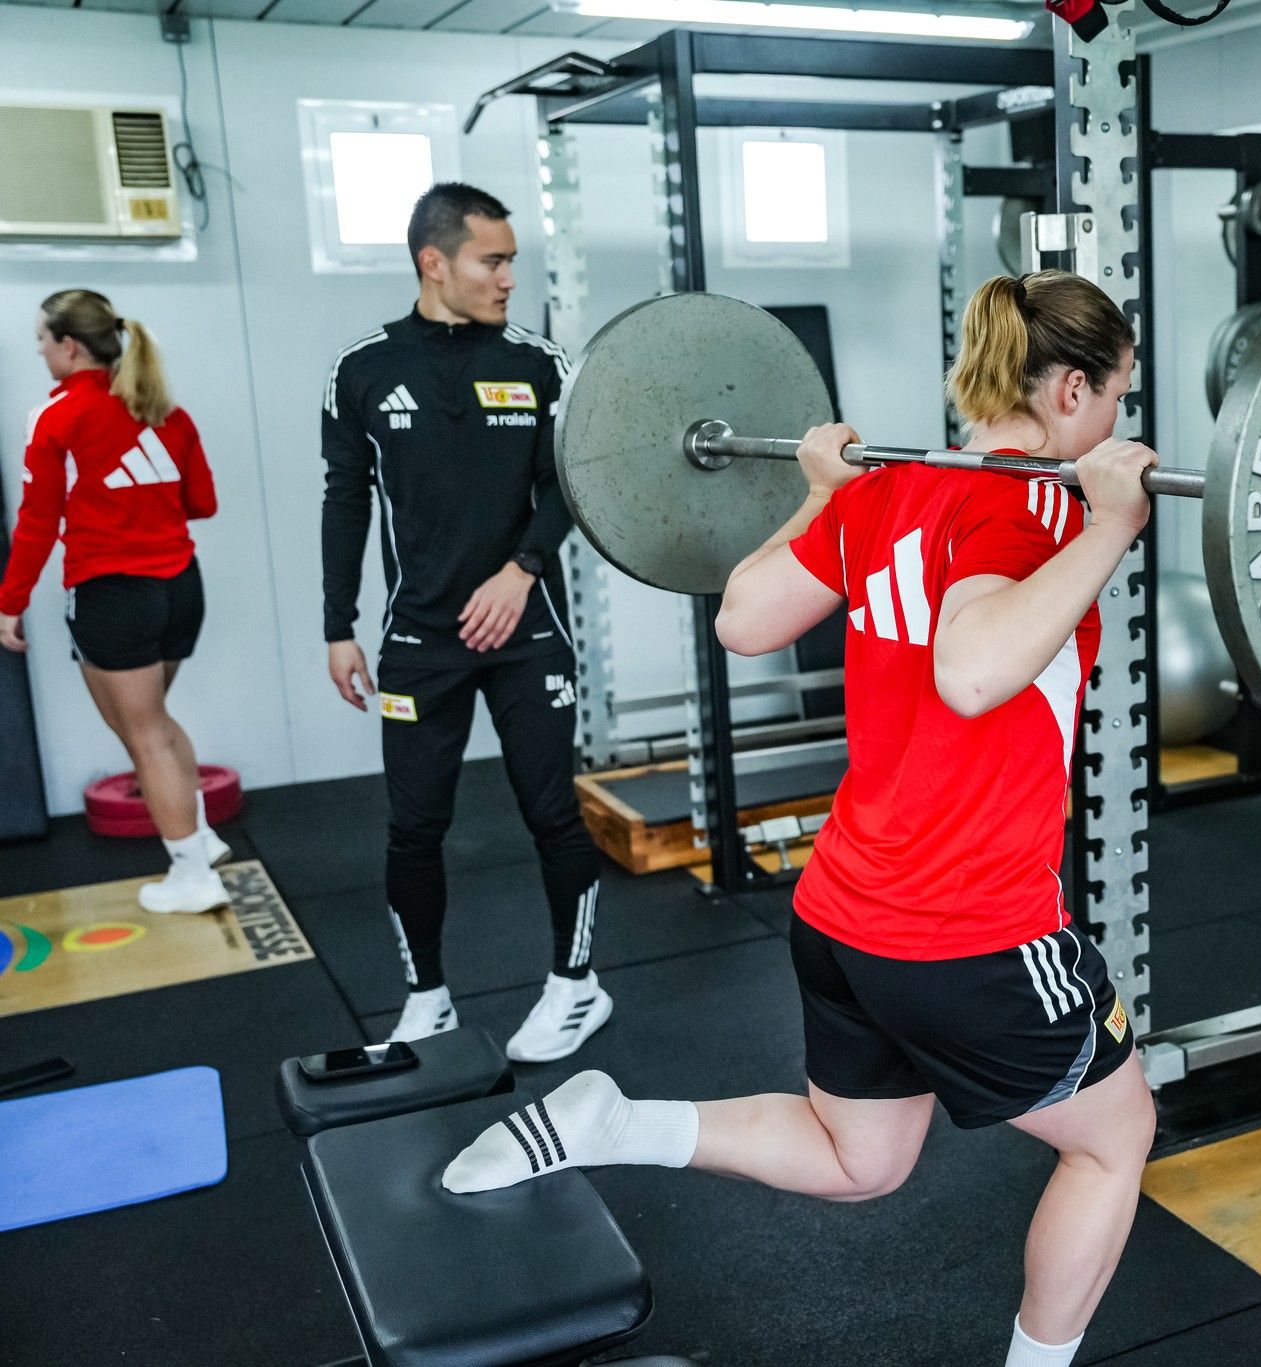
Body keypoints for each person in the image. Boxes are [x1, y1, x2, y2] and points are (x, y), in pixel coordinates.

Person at [440, 271, 1161, 1367]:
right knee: (1115, 1139)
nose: (1115, 424)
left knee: (859, 1157)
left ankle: (612, 1123)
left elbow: (744, 617)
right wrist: (1114, 521)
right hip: (972, 931)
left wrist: (825, 489)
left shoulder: (892, 486)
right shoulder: (1042, 504)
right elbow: (971, 670)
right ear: (1071, 389)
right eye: (1115, 398)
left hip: (843, 916)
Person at [321, 182, 606, 1062]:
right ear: (433, 262)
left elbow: (572, 484)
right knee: (413, 827)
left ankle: (577, 983)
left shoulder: (539, 363)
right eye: (494, 259)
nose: (509, 277)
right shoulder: (362, 369)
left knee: (552, 813)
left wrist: (521, 572)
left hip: (526, 630)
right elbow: (344, 499)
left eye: (512, 259)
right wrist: (339, 624)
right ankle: (426, 999)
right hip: (420, 641)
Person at [1, 290, 227, 912]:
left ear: (69, 345)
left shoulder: (58, 416)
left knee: (143, 732)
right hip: (181, 589)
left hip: (113, 594)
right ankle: (200, 840)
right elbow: (201, 503)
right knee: (152, 722)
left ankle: (192, 876)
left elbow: (37, 522)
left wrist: (7, 602)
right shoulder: (166, 412)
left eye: (44, 341)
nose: (42, 351)